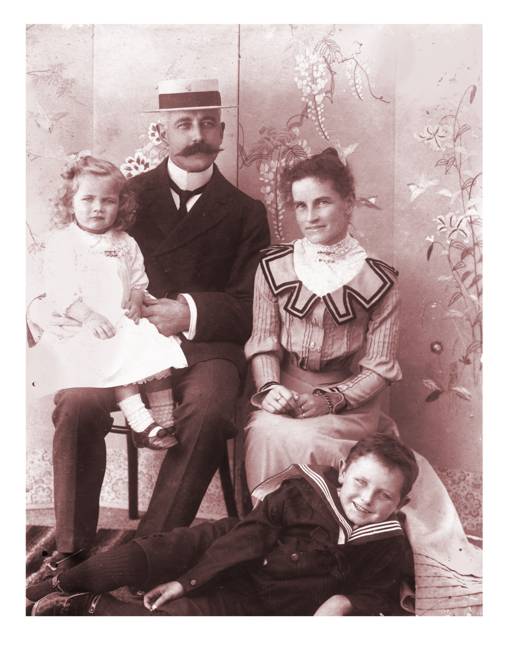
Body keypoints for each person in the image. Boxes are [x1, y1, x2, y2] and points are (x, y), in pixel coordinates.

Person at [28, 78, 270, 574]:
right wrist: (35, 309)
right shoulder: (121, 195)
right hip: (116, 340)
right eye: (184, 124)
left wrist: (190, 311)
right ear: (162, 132)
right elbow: (66, 260)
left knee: (208, 409)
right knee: (77, 401)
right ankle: (71, 547)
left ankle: (147, 554)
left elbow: (253, 304)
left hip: (205, 347)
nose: (197, 135)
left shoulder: (247, 212)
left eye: (208, 124)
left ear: (222, 132)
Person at [243, 148, 482, 615]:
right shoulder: (272, 267)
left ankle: (332, 555)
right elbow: (263, 341)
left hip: (349, 402)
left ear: (349, 202)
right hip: (286, 390)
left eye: (323, 202)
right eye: (300, 205)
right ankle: (273, 548)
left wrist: (329, 400)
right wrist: (270, 388)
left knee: (308, 437)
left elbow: (379, 368)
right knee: (267, 429)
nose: (310, 216)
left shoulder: (379, 279)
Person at [28, 434, 418, 616]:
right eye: (361, 482)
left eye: (384, 495)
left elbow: (377, 593)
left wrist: (342, 602)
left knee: (168, 622)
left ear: (401, 503)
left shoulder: (386, 543)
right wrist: (187, 581)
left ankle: (90, 606)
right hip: (229, 546)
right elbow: (249, 537)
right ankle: (59, 583)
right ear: (343, 471)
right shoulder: (303, 493)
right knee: (140, 557)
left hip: (259, 600)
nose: (367, 499)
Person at [29, 153, 187, 450]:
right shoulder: (64, 243)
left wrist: (136, 300)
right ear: (70, 202)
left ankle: (165, 419)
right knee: (117, 354)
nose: (98, 208)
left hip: (123, 317)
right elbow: (61, 291)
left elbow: (139, 279)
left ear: (121, 204)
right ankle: (141, 422)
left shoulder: (125, 241)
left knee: (154, 346)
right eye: (88, 199)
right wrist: (89, 316)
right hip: (86, 326)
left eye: (108, 201)